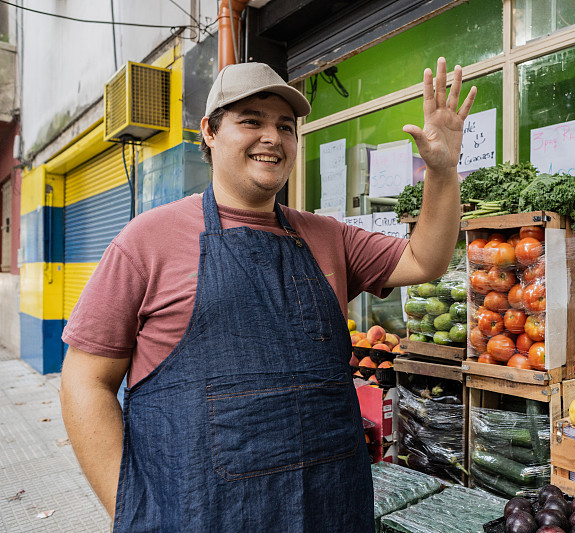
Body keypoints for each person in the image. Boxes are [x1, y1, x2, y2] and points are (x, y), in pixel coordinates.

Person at [59, 57, 476, 532]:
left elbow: (426, 261)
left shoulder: (328, 236)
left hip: (329, 509)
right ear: (209, 132)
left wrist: (442, 170)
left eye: (285, 126)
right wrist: (133, 511)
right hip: (198, 517)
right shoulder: (146, 241)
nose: (272, 138)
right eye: (251, 121)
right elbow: (85, 382)